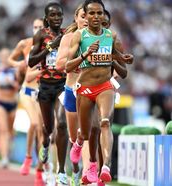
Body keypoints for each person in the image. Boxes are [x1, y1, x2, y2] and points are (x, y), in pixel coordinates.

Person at [66, 0, 133, 183]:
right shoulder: (79, 36)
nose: (96, 17)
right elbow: (67, 66)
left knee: (104, 123)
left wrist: (122, 59)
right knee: (87, 133)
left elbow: (123, 71)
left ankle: (106, 166)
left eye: (100, 13)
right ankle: (79, 143)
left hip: (105, 86)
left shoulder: (111, 36)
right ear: (86, 16)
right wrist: (85, 55)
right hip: (85, 88)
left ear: (104, 15)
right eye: (92, 13)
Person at [28, 2, 69, 185]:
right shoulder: (40, 35)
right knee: (48, 127)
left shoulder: (68, 34)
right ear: (46, 18)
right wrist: (51, 47)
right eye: (53, 15)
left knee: (62, 124)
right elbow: (31, 61)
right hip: (45, 86)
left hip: (62, 84)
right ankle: (44, 144)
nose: (57, 18)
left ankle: (61, 171)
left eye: (59, 15)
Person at [8, 18, 45, 181]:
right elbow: (10, 59)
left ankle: (40, 169)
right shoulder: (25, 44)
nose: (37, 29)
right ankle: (28, 156)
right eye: (35, 26)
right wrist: (20, 64)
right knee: (35, 123)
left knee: (42, 131)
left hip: (42, 92)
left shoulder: (50, 45)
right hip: (27, 89)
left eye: (40, 27)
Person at [55, 4, 87, 186]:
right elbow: (60, 65)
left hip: (92, 90)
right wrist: (78, 55)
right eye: (82, 16)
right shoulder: (68, 38)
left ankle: (91, 174)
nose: (85, 19)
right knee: (74, 137)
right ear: (76, 18)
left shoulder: (101, 36)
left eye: (88, 16)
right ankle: (74, 170)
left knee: (93, 132)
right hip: (71, 90)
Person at [0, 48, 19, 168]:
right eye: (2, 56)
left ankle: (8, 153)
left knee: (10, 132)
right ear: (0, 57)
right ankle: (4, 158)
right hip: (1, 103)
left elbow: (19, 87)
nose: (4, 58)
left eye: (7, 55)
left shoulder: (15, 70)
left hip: (12, 103)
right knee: (3, 130)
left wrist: (12, 82)